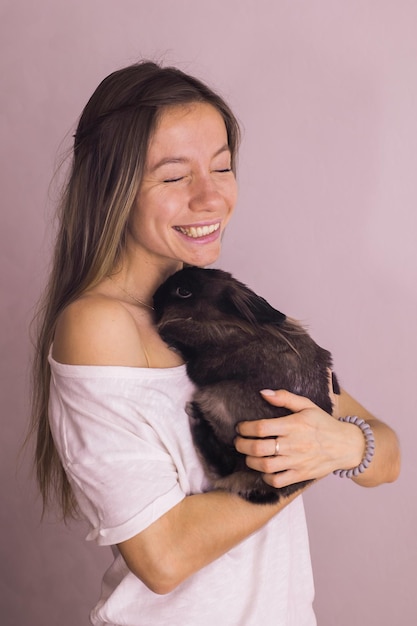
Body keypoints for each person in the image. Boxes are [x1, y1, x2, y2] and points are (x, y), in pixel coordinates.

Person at [31, 61, 400, 626]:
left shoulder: (230, 306)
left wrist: (343, 448)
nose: (210, 197)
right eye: (175, 176)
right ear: (114, 185)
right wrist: (303, 465)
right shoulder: (97, 326)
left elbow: (388, 452)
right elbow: (164, 556)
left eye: (222, 167)